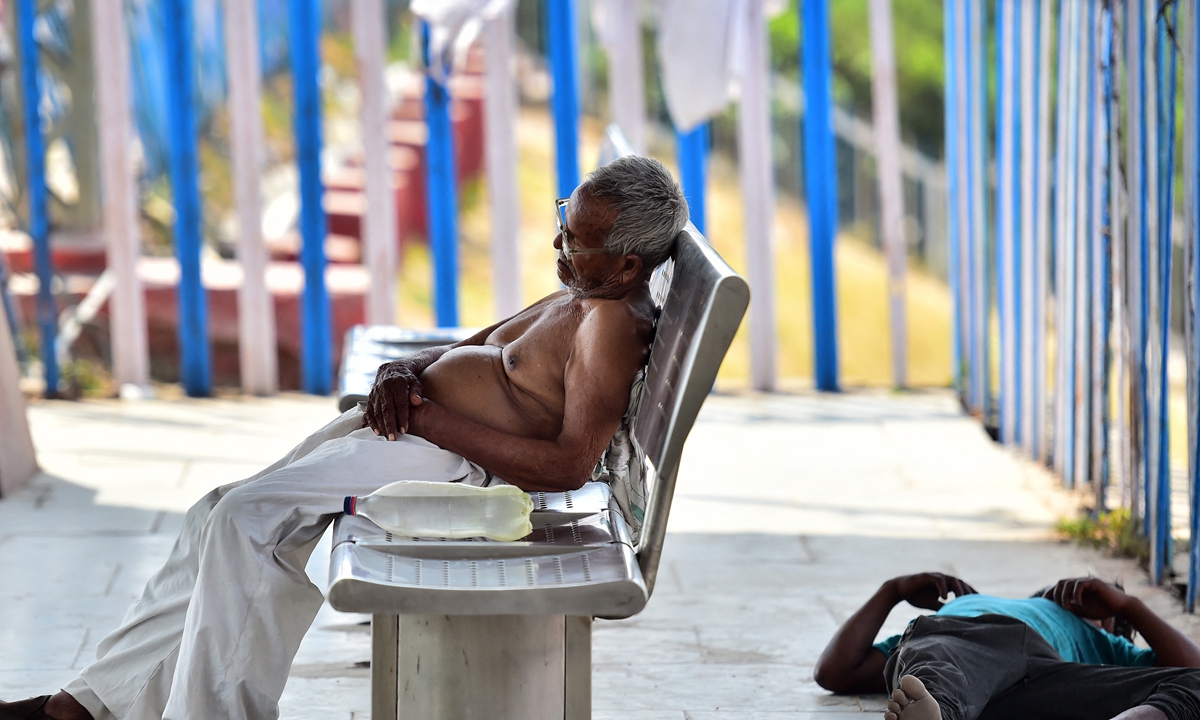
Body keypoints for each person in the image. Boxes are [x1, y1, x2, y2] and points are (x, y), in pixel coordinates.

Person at [0, 155, 689, 720]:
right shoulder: (587, 289)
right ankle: (81, 709)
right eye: (566, 219)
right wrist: (405, 370)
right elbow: (486, 342)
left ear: (629, 265)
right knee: (216, 511)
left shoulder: (610, 327)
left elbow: (569, 464)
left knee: (247, 522)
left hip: (453, 463)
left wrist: (426, 416)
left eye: (577, 236)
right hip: (417, 429)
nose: (560, 242)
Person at [814, 572, 1200, 720]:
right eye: (1086, 584)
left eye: (1100, 599)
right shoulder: (976, 608)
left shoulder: (1109, 648)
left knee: (1191, 687)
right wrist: (892, 591)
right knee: (941, 666)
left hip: (1047, 681)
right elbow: (834, 672)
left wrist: (1127, 605)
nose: (1089, 594)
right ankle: (938, 715)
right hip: (964, 646)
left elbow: (1191, 667)